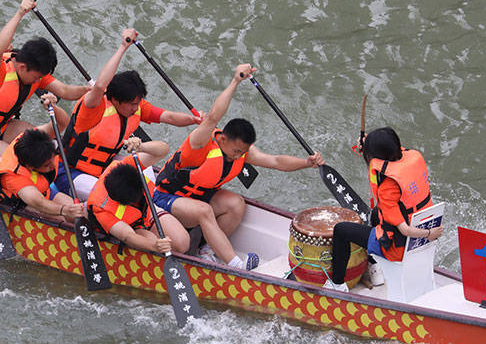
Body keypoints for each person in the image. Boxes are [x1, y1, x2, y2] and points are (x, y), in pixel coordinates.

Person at [152, 64, 324, 270]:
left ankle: (207, 252)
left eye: (243, 152)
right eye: (236, 151)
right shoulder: (199, 145)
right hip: (164, 199)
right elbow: (214, 117)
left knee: (236, 204)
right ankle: (237, 265)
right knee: (204, 210)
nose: (239, 157)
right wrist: (236, 81)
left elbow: (276, 162)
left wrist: (306, 163)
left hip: (195, 200)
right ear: (223, 139)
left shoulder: (243, 152)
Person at [55, 27, 201, 200]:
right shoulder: (94, 106)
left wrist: (194, 120)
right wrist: (123, 47)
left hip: (104, 167)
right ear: (116, 100)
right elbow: (101, 85)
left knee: (144, 174)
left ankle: (152, 202)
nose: (135, 108)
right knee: (116, 196)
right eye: (132, 104)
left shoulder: (136, 105)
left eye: (138, 103)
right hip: (70, 173)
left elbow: (168, 117)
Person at [0, 0, 89, 176]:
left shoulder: (36, 74)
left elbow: (65, 91)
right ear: (23, 67)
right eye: (36, 77)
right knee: (21, 159)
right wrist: (20, 13)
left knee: (37, 143)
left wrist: (89, 90)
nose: (37, 81)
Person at [324, 127, 442, 291]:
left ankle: (336, 284)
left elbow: (406, 230)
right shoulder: (410, 161)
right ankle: (374, 267)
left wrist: (430, 234)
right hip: (417, 237)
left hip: (396, 248)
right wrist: (367, 146)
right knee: (373, 216)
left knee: (341, 230)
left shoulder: (387, 189)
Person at [86, 145, 190, 255]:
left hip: (148, 210)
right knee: (151, 240)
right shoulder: (100, 208)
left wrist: (142, 146)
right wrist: (154, 246)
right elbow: (128, 236)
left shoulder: (126, 165)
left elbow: (164, 150)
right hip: (131, 226)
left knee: (182, 244)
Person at [0, 122, 85, 224]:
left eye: (53, 159)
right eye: (46, 165)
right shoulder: (13, 177)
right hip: (20, 202)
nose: (53, 166)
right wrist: (64, 210)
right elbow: (39, 203)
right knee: (64, 221)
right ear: (31, 167)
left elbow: (62, 121)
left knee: (80, 215)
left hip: (44, 191)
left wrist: (53, 107)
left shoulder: (32, 140)